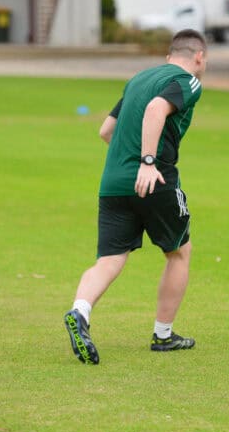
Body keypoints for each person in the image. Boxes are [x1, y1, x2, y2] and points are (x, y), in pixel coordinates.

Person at [64, 29, 208, 365]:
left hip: (113, 181)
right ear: (199, 56)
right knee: (179, 253)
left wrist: (128, 164)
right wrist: (146, 161)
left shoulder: (139, 79)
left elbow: (106, 131)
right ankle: (163, 335)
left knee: (110, 259)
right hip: (154, 178)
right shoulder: (188, 81)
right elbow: (158, 109)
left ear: (170, 53)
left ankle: (79, 312)